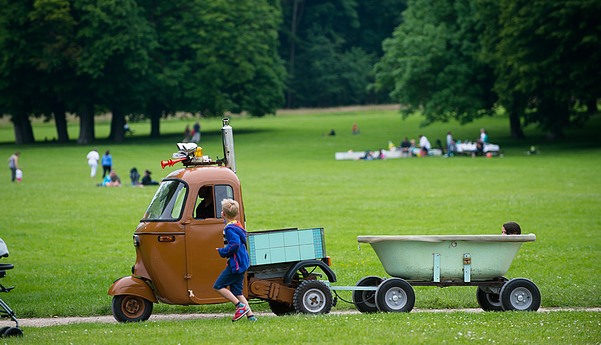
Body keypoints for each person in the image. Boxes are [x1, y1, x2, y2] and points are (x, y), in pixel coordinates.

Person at [214, 199, 256, 322]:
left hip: (236, 265)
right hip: (242, 262)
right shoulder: (237, 224)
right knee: (237, 292)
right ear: (237, 214)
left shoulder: (229, 229)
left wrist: (223, 251)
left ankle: (240, 306)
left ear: (223, 214)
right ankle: (251, 317)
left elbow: (235, 245)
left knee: (218, 286)